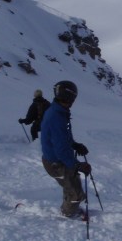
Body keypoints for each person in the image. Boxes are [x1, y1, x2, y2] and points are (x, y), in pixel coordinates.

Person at [40, 80, 91, 219]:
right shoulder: (56, 116)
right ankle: (68, 215)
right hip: (56, 163)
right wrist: (77, 165)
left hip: (58, 160)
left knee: (72, 185)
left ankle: (68, 207)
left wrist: (74, 144)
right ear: (69, 97)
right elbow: (61, 149)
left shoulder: (59, 111)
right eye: (73, 97)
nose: (74, 101)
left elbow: (63, 136)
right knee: (76, 193)